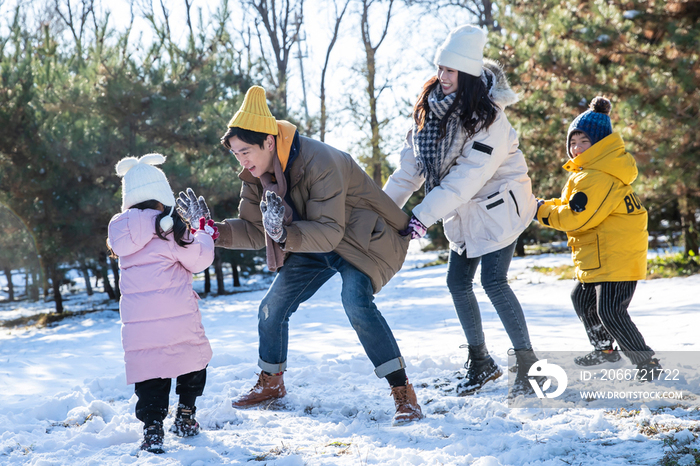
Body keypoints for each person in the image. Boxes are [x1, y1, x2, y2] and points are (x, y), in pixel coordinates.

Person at [177, 85, 422, 425]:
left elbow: (330, 231)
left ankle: (403, 391)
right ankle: (271, 382)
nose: (243, 161)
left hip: (364, 239)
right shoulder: (256, 175)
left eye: (246, 151)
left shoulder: (321, 160)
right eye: (236, 154)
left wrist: (281, 234)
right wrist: (210, 229)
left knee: (355, 302)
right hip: (307, 242)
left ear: (269, 140)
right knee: (271, 308)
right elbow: (252, 228)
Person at [383, 25, 540, 397]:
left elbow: (466, 180)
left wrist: (422, 215)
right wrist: (381, 212)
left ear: (467, 74)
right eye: (439, 68)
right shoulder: (430, 113)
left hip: (501, 207)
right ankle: (482, 362)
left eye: (450, 70)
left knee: (493, 282)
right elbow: (410, 170)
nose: (442, 77)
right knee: (457, 283)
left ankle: (529, 367)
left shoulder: (491, 121)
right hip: (463, 211)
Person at [535, 96, 661, 381]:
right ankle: (605, 350)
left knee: (610, 311)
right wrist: (544, 204)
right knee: (582, 298)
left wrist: (540, 212)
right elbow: (570, 204)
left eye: (584, 142)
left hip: (617, 255)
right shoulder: (589, 172)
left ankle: (647, 365)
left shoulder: (598, 176)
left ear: (600, 145)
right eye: (572, 142)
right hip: (605, 253)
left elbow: (575, 217)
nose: (576, 148)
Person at [107, 154, 218, 453]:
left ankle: (152, 429)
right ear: (161, 196)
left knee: (150, 373)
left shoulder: (120, 231)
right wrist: (204, 232)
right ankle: (185, 416)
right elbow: (199, 260)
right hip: (178, 317)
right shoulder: (169, 226)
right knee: (193, 361)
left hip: (139, 325)